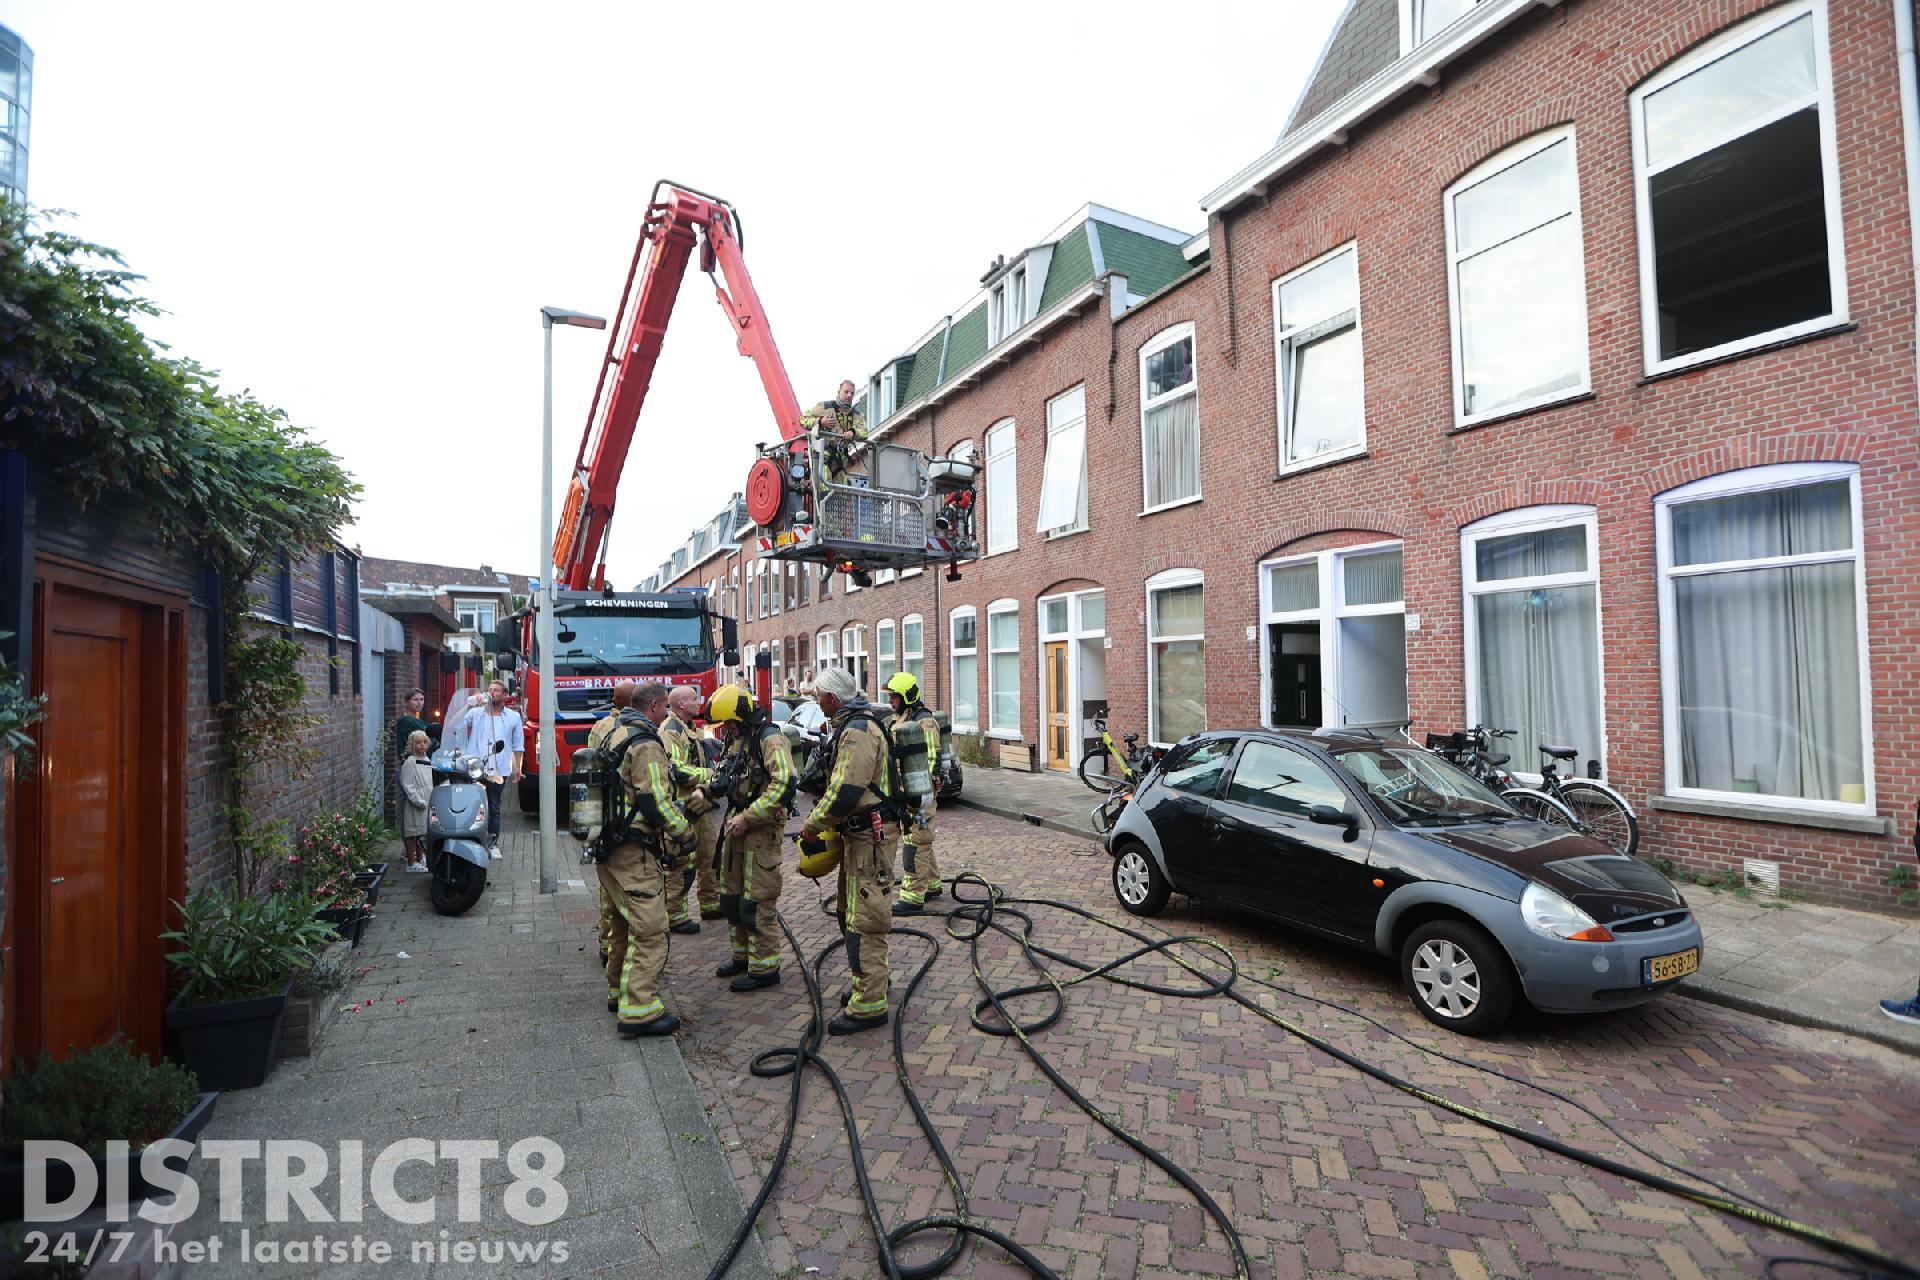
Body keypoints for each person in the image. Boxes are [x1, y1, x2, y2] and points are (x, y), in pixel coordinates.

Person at [799, 665, 900, 1035]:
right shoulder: (851, 725)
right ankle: (872, 981)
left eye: (818, 697)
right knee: (849, 912)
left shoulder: (857, 732)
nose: (817, 703)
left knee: (865, 920)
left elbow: (845, 791)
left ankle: (869, 1004)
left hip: (869, 838)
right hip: (858, 838)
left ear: (832, 697)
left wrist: (813, 825)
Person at [598, 681, 694, 1038]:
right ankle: (640, 1010)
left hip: (609, 848)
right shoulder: (645, 743)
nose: (666, 714)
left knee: (622, 924)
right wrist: (685, 834)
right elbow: (655, 801)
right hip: (634, 852)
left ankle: (618, 993)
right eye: (665, 707)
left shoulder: (614, 733)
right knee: (651, 929)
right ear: (653, 706)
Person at [705, 684, 796, 992]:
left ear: (742, 715)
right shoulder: (736, 739)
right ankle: (742, 956)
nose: (727, 728)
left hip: (760, 829)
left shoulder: (770, 739)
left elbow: (784, 784)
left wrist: (749, 817)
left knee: (757, 900)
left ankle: (764, 968)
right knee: (731, 897)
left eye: (730, 722)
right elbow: (725, 776)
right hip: (737, 825)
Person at [660, 685, 724, 931]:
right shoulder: (670, 730)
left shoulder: (691, 728)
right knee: (681, 861)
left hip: (700, 804)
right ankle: (675, 915)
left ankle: (711, 904)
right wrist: (710, 774)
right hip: (682, 806)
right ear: (681, 704)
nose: (699, 702)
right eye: (694, 699)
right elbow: (676, 769)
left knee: (709, 854)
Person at [587, 682, 639, 967]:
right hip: (624, 818)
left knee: (606, 885)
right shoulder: (630, 729)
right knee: (622, 886)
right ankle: (616, 945)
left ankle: (606, 943)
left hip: (601, 814)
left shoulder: (600, 727)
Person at [884, 672, 944, 915]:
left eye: (894, 697)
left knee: (915, 842)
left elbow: (932, 757)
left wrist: (920, 793)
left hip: (919, 795)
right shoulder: (900, 718)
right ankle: (932, 883)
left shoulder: (924, 722)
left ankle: (912, 896)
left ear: (907, 696)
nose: (890, 701)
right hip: (905, 792)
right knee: (922, 839)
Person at [450, 679, 523, 859]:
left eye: (496, 690)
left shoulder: (513, 717)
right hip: (475, 767)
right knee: (473, 805)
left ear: (505, 695)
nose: (492, 692)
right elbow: (454, 725)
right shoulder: (476, 713)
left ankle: (493, 843)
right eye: (490, 689)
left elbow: (518, 744)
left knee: (494, 807)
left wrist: (518, 768)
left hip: (498, 768)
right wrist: (468, 705)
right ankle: (473, 840)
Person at [801, 379, 866, 487]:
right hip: (823, 457)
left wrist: (853, 432)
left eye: (852, 393)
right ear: (839, 392)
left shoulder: (856, 414)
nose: (849, 395)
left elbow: (865, 433)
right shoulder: (825, 406)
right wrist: (820, 421)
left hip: (841, 461)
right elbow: (803, 419)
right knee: (825, 490)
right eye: (846, 392)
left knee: (841, 493)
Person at [398, 730, 434, 873]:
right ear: (412, 744)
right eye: (418, 742)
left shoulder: (427, 760)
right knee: (412, 832)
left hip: (427, 800)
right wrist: (416, 800)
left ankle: (421, 858)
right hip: (416, 802)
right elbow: (407, 783)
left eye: (424, 742)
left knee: (422, 832)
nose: (422, 745)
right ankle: (411, 862)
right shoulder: (410, 762)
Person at [393, 688, 439, 761]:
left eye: (422, 699)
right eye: (416, 700)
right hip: (416, 762)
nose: (419, 703)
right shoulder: (405, 721)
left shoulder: (421, 722)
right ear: (406, 702)